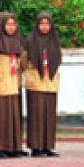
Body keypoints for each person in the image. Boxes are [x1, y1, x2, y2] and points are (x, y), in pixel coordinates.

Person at [23, 13, 62, 158]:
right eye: (42, 24)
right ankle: (36, 147)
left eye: (47, 24)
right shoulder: (30, 40)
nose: (44, 27)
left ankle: (47, 146)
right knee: (36, 115)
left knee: (49, 116)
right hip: (35, 82)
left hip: (50, 82)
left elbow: (58, 57)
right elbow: (24, 61)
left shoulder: (54, 40)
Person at [0, 13, 25, 158]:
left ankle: (14, 146)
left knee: (13, 117)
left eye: (13, 24)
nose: (11, 28)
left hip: (13, 85)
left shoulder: (18, 42)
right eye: (8, 24)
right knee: (1, 118)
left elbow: (22, 64)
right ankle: (0, 147)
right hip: (0, 85)